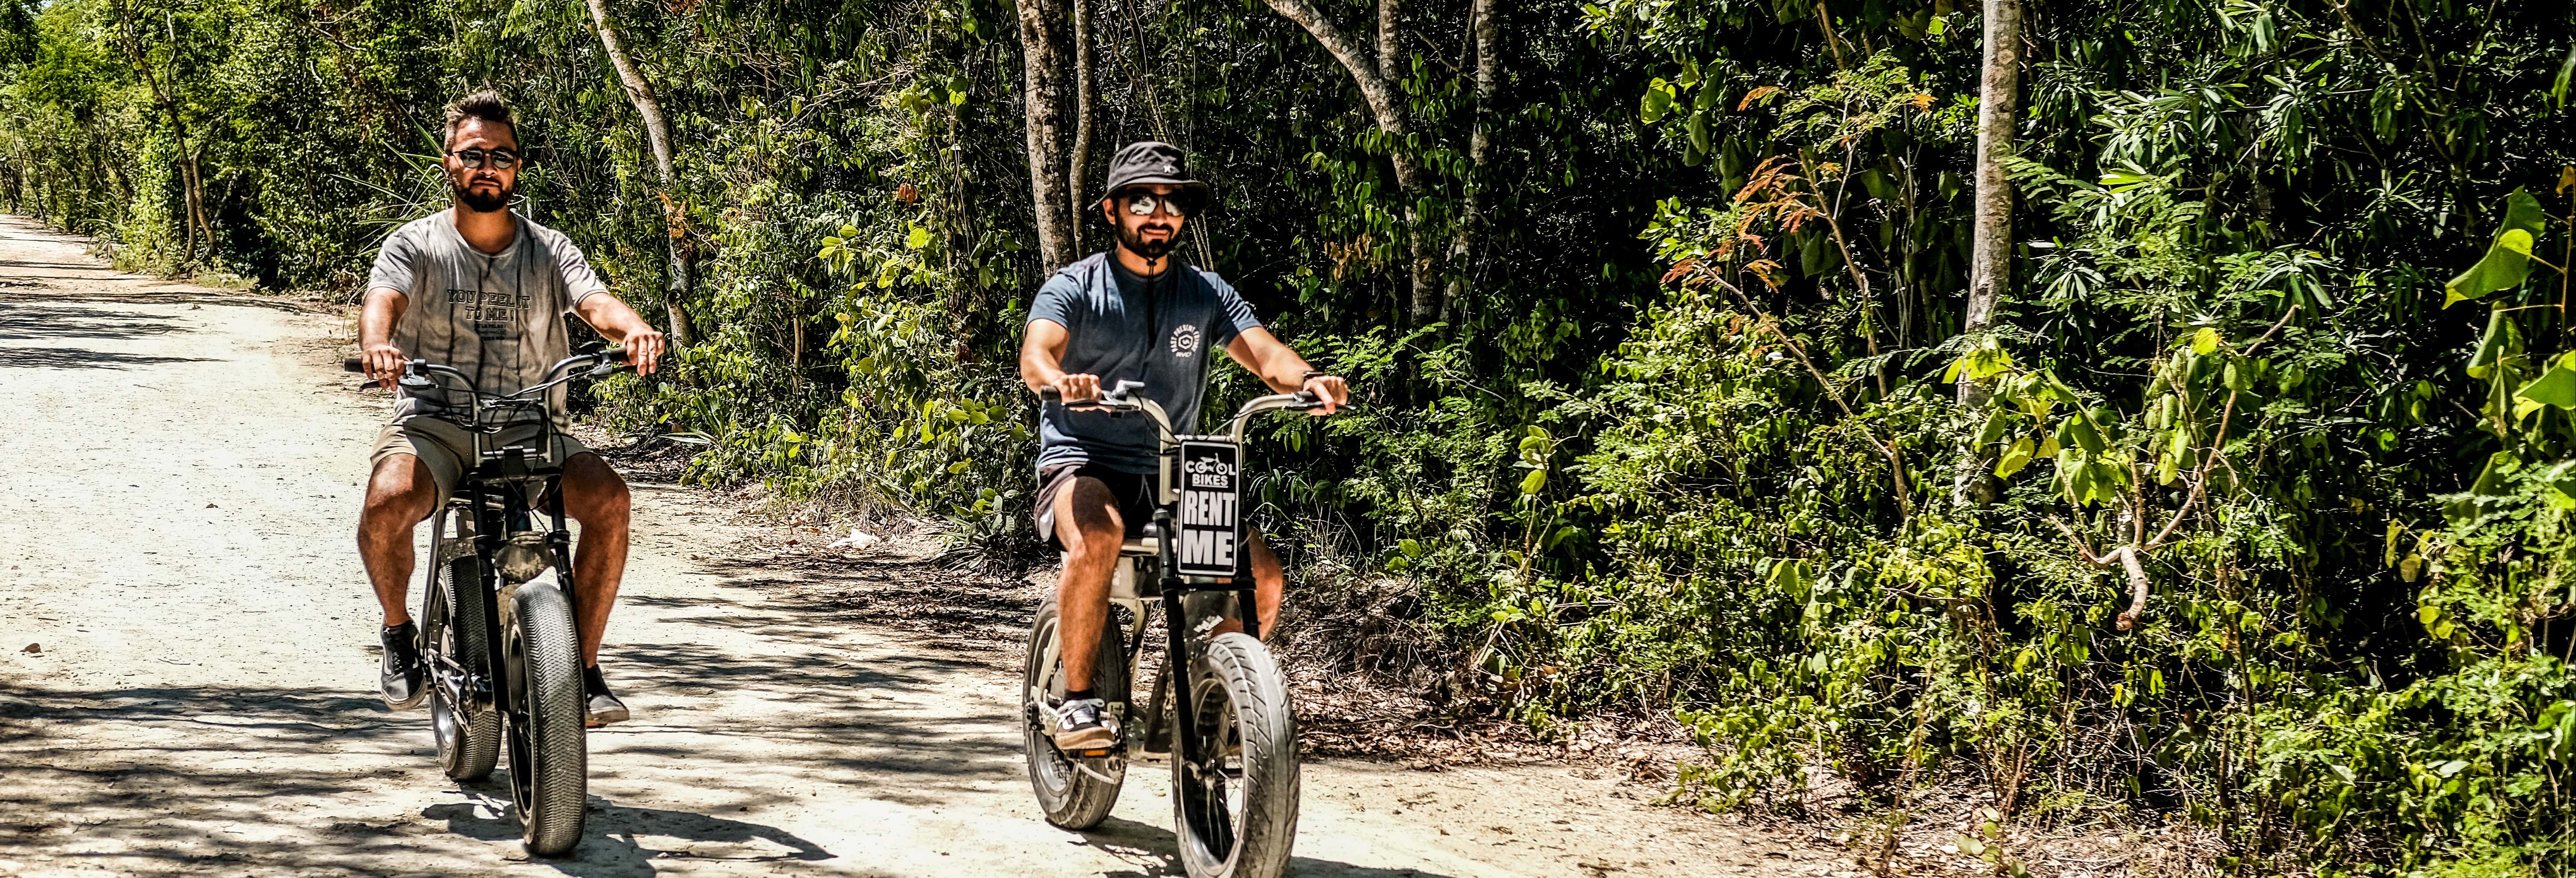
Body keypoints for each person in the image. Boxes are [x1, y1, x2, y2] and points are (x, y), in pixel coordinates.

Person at [1018, 141, 1349, 750]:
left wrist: (1308, 380)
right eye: (1143, 200)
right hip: (1083, 464)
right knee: (1098, 536)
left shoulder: (1205, 293)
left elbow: (1267, 355)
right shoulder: (1076, 286)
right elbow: (1036, 355)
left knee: (1265, 580)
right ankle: (1077, 700)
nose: (1158, 214)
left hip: (1174, 471)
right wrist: (1062, 380)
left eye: (1172, 203)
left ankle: (1209, 697)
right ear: (1113, 210)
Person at [355, 90, 667, 726]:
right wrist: (377, 344)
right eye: (474, 154)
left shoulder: (550, 248)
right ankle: (397, 634)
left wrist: (633, 328)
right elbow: (382, 300)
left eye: (502, 155)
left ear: (518, 167)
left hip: (530, 422)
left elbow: (594, 302)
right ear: (449, 163)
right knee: (387, 501)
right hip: (435, 420)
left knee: (610, 500)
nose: (487, 166)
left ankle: (579, 669)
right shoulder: (415, 244)